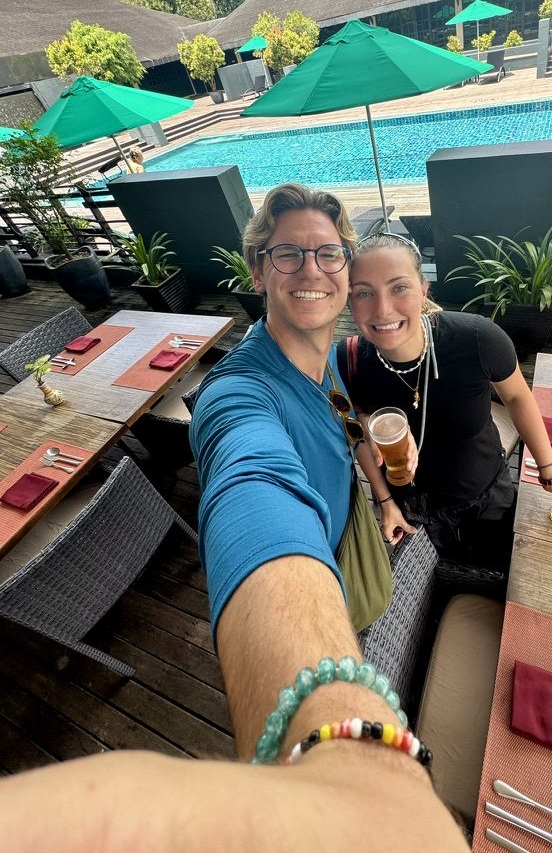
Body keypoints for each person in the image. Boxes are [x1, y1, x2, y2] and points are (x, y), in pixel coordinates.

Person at [0, 185, 466, 853]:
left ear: (345, 268)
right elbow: (251, 483)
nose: (311, 269)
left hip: (350, 530)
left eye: (329, 254)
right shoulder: (239, 392)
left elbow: (343, 419)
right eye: (288, 254)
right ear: (257, 271)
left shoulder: (323, 352)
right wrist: (339, 749)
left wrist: (385, 498)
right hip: (319, 565)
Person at [338, 232, 552, 572]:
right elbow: (358, 430)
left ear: (423, 290)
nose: (383, 309)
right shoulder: (349, 359)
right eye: (364, 293)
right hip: (412, 509)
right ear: (349, 300)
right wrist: (385, 501)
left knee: (504, 571)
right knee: (441, 578)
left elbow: (518, 396)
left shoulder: (477, 338)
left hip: (487, 498)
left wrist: (550, 471)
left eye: (399, 287)